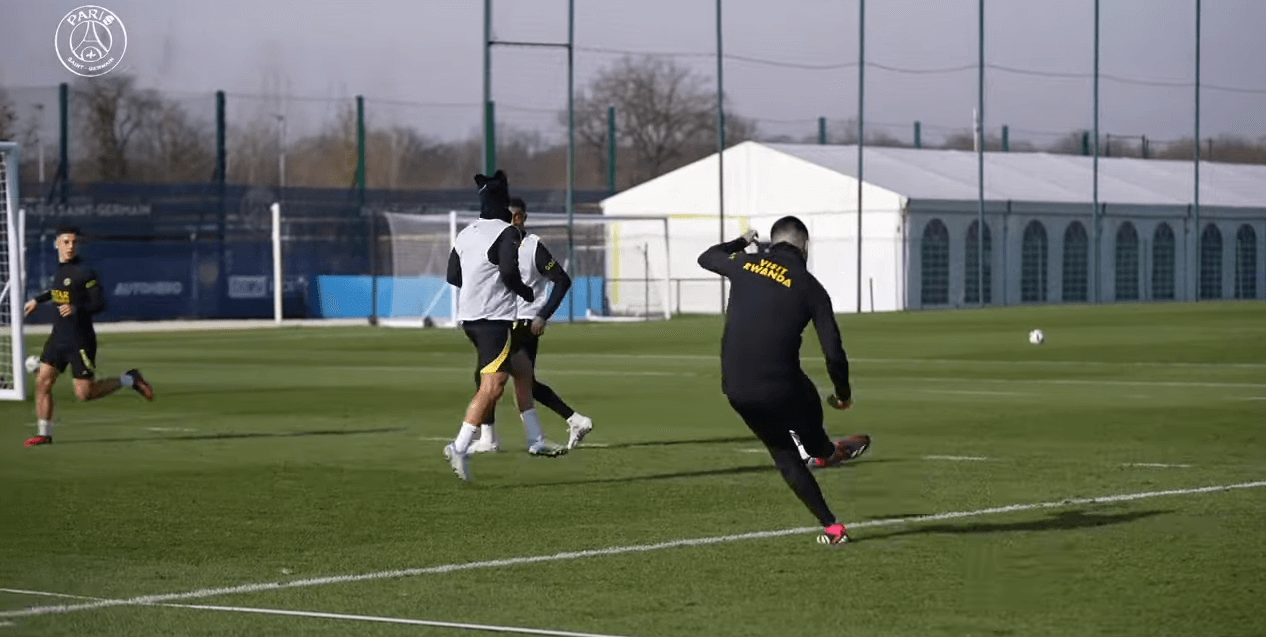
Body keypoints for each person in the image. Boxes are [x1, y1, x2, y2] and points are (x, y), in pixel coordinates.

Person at [697, 216, 870, 545]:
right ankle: (823, 451)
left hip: (736, 388)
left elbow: (706, 257)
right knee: (806, 398)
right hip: (782, 385)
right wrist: (843, 395)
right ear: (804, 246)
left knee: (783, 454)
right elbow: (833, 353)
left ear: (772, 243)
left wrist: (740, 242)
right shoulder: (810, 286)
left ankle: (833, 528)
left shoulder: (745, 264)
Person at [468, 197, 594, 454]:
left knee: (490, 377)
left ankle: (489, 439)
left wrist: (543, 315)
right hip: (501, 322)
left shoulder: (533, 247)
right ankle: (571, 422)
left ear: (518, 218)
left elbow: (562, 280)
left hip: (521, 325)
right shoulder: (498, 246)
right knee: (522, 382)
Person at [442, 171, 541, 480]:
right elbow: (510, 273)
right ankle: (459, 446)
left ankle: (537, 438)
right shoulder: (508, 232)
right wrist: (525, 292)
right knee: (494, 385)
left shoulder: (466, 232)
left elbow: (452, 276)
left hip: (469, 317)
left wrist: (477, 281)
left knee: (521, 368)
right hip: (493, 318)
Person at [23, 225, 154, 447]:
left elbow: (99, 304)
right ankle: (44, 433)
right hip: (58, 338)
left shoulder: (85, 271)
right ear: (57, 244)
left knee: (85, 393)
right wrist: (38, 300)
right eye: (66, 242)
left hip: (80, 340)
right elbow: (57, 291)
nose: (70, 246)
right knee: (43, 383)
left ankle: (129, 379)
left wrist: (76, 308)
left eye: (74, 242)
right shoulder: (60, 269)